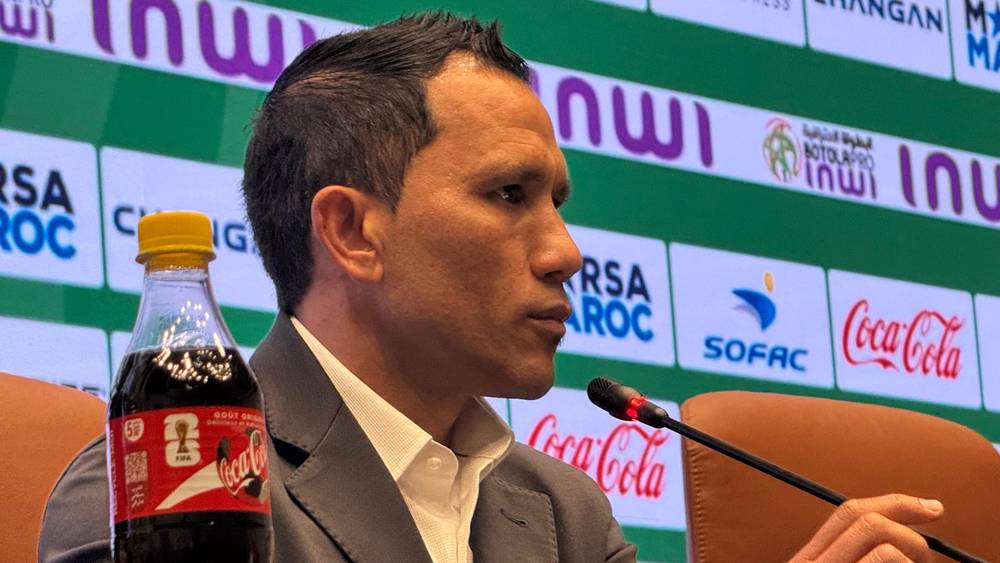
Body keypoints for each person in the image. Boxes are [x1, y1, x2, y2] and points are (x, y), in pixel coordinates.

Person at [40, 12, 944, 563]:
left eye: (557, 202)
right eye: (510, 194)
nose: (565, 252)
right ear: (352, 231)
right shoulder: (171, 482)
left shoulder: (565, 513)